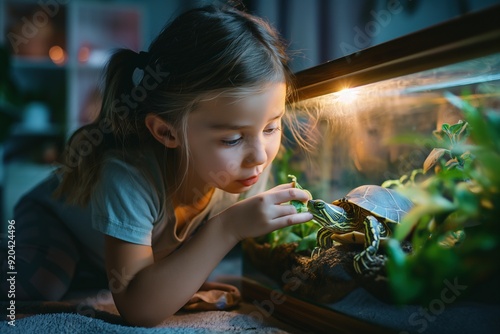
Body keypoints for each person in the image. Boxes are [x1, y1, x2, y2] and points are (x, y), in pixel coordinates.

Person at [0, 3, 314, 327]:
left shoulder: (246, 171)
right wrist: (227, 227)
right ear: (166, 131)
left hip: (105, 255)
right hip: (53, 221)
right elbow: (138, 308)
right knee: (40, 283)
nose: (260, 156)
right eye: (232, 139)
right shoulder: (129, 177)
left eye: (271, 127)